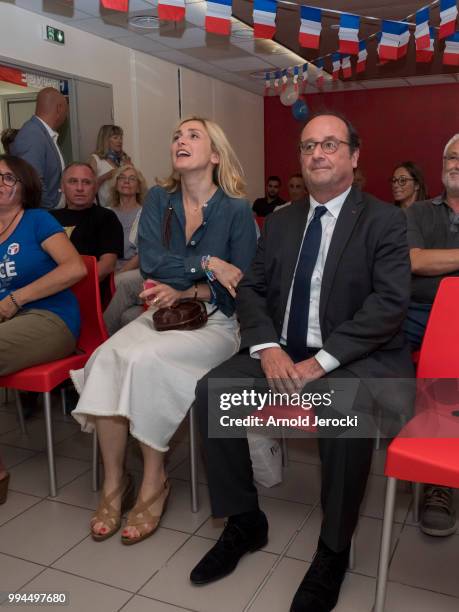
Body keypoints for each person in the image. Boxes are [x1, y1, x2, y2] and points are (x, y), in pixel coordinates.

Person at [191, 111, 414, 612]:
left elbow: (388, 305)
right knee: (211, 391)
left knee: (344, 410)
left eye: (330, 144)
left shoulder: (383, 221)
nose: (317, 153)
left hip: (351, 355)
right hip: (281, 350)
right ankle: (245, 522)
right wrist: (267, 347)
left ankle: (334, 551)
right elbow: (250, 287)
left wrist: (324, 361)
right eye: (309, 145)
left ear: (354, 158)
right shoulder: (282, 220)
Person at [70, 117, 257, 545]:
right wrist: (209, 265)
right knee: (106, 357)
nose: (180, 140)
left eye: (193, 135)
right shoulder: (159, 200)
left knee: (144, 360)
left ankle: (154, 481)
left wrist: (191, 286)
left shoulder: (236, 210)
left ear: (214, 154)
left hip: (215, 322)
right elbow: (152, 262)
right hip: (162, 312)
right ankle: (115, 484)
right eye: (176, 135)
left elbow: (238, 284)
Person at [404, 134, 459, 539]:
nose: (456, 162)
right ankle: (435, 475)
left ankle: (442, 474)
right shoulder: (420, 211)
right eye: (451, 156)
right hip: (417, 314)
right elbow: (415, 261)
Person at [0, 155, 86, 376]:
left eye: (8, 177)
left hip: (49, 317)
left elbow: (75, 268)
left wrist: (15, 299)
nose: (0, 182)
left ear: (25, 186)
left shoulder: (37, 220)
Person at [51, 163, 124, 291]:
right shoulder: (48, 219)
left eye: (86, 182)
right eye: (73, 181)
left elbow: (107, 265)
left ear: (95, 188)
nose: (80, 188)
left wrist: (65, 285)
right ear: (62, 187)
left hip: (88, 290)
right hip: (48, 292)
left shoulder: (106, 217)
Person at [10, 87, 68, 209]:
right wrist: (47, 212)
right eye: (66, 110)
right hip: (46, 214)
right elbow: (32, 183)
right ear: (59, 109)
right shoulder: (32, 134)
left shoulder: (43, 134)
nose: (66, 115)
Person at [108, 164, 147, 273]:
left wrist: (119, 275)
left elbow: (143, 254)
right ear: (116, 184)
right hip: (108, 269)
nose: (126, 181)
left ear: (139, 188)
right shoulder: (106, 213)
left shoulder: (146, 213)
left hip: (134, 271)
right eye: (122, 177)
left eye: (132, 178)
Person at [89, 125, 131, 208]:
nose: (120, 141)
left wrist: (130, 168)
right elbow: (89, 188)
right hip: (105, 209)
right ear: (105, 140)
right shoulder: (96, 159)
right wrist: (106, 176)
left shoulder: (124, 159)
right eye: (115, 138)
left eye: (121, 138)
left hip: (123, 207)